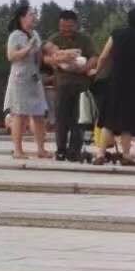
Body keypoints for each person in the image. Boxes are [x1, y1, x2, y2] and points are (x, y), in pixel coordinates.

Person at [90, 7, 135, 166]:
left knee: (109, 118)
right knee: (127, 121)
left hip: (115, 80)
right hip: (134, 83)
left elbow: (104, 56)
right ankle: (126, 155)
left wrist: (96, 72)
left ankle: (100, 154)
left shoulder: (116, 34)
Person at [43, 10, 96, 162]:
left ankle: (74, 151)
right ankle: (60, 150)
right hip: (61, 84)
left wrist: (84, 68)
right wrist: (56, 60)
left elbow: (94, 57)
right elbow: (45, 58)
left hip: (81, 85)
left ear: (76, 25)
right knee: (61, 119)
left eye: (69, 27)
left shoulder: (85, 39)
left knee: (79, 119)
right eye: (63, 27)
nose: (66, 30)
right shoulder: (54, 39)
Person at [5, 5, 50, 160]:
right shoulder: (15, 35)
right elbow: (11, 56)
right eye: (31, 14)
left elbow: (39, 56)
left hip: (34, 77)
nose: (34, 17)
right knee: (19, 114)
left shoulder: (35, 34)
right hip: (20, 78)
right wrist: (28, 48)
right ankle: (18, 150)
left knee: (39, 113)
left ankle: (41, 149)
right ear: (22, 18)